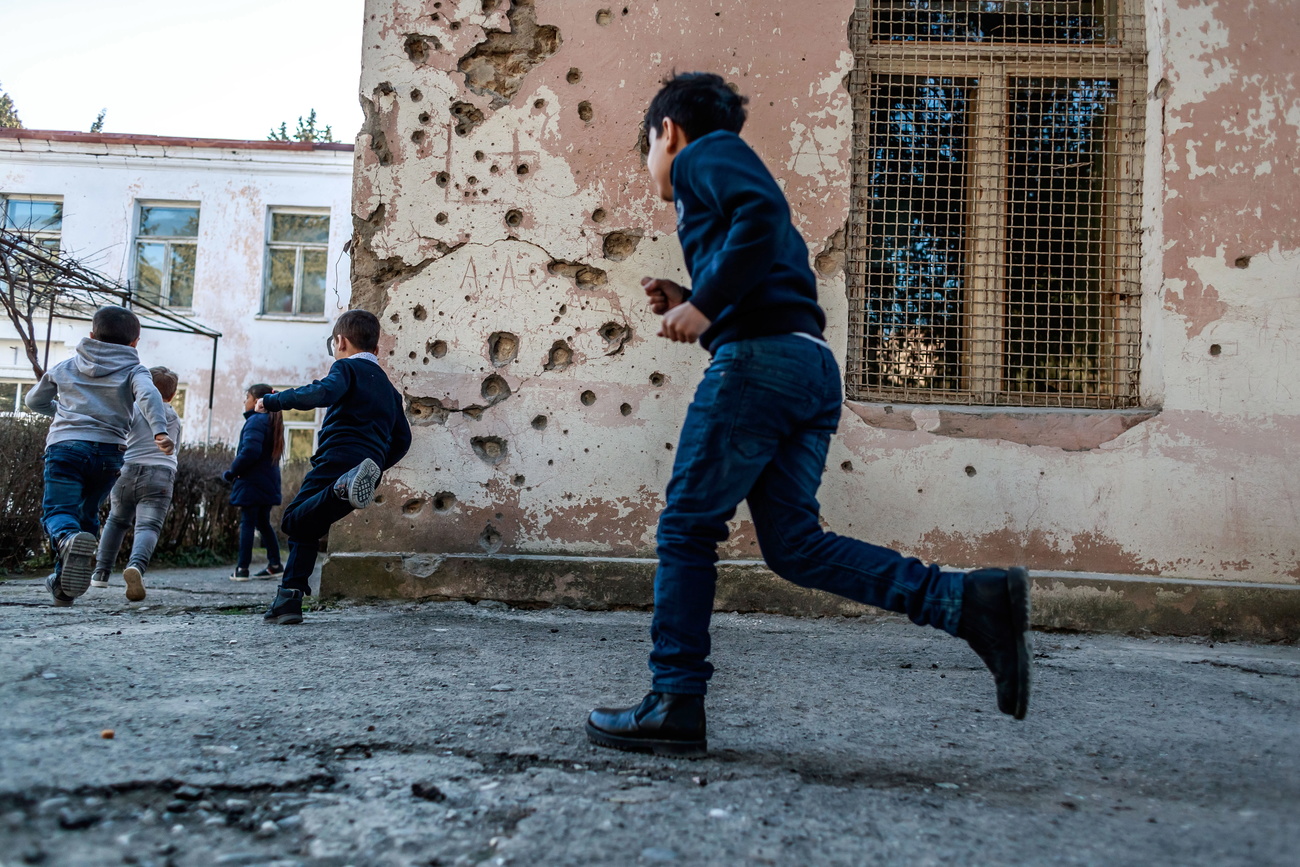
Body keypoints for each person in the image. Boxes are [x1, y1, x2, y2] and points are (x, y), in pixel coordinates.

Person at [585, 73, 1032, 758]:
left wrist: (703, 307)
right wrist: (694, 292)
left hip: (758, 364)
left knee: (685, 525)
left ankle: (674, 698)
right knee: (792, 545)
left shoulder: (703, 154)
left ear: (665, 132)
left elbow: (762, 216)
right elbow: (764, 255)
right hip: (806, 364)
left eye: (646, 149)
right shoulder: (719, 176)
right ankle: (965, 601)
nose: (652, 167)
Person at [254, 310, 412, 625]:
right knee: (307, 528)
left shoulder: (346, 368)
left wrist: (274, 401)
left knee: (292, 518)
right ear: (377, 350)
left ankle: (342, 489)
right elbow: (403, 439)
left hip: (337, 458)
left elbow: (322, 392)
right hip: (367, 465)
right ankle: (289, 600)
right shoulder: (390, 391)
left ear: (339, 342)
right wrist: (376, 465)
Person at [25, 306, 175, 606]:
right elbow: (148, 396)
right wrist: (159, 430)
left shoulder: (67, 366)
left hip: (66, 447)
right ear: (135, 343)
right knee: (86, 514)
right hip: (109, 452)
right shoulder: (135, 370)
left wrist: (59, 411)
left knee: (58, 512)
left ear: (92, 335)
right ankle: (64, 589)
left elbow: (33, 399)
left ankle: (67, 540)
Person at [89, 366, 184, 602]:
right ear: (171, 396)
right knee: (148, 527)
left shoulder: (132, 409)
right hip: (160, 474)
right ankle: (136, 568)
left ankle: (100, 573)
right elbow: (175, 451)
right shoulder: (173, 417)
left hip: (126, 470)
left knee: (116, 520)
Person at [224, 383, 285, 581]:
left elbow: (249, 451)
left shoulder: (257, 421)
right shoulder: (270, 421)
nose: (245, 401)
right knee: (262, 522)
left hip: (252, 481)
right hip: (267, 481)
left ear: (257, 400)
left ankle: (242, 569)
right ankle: (275, 564)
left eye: (247, 397)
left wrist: (232, 472)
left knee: (248, 522)